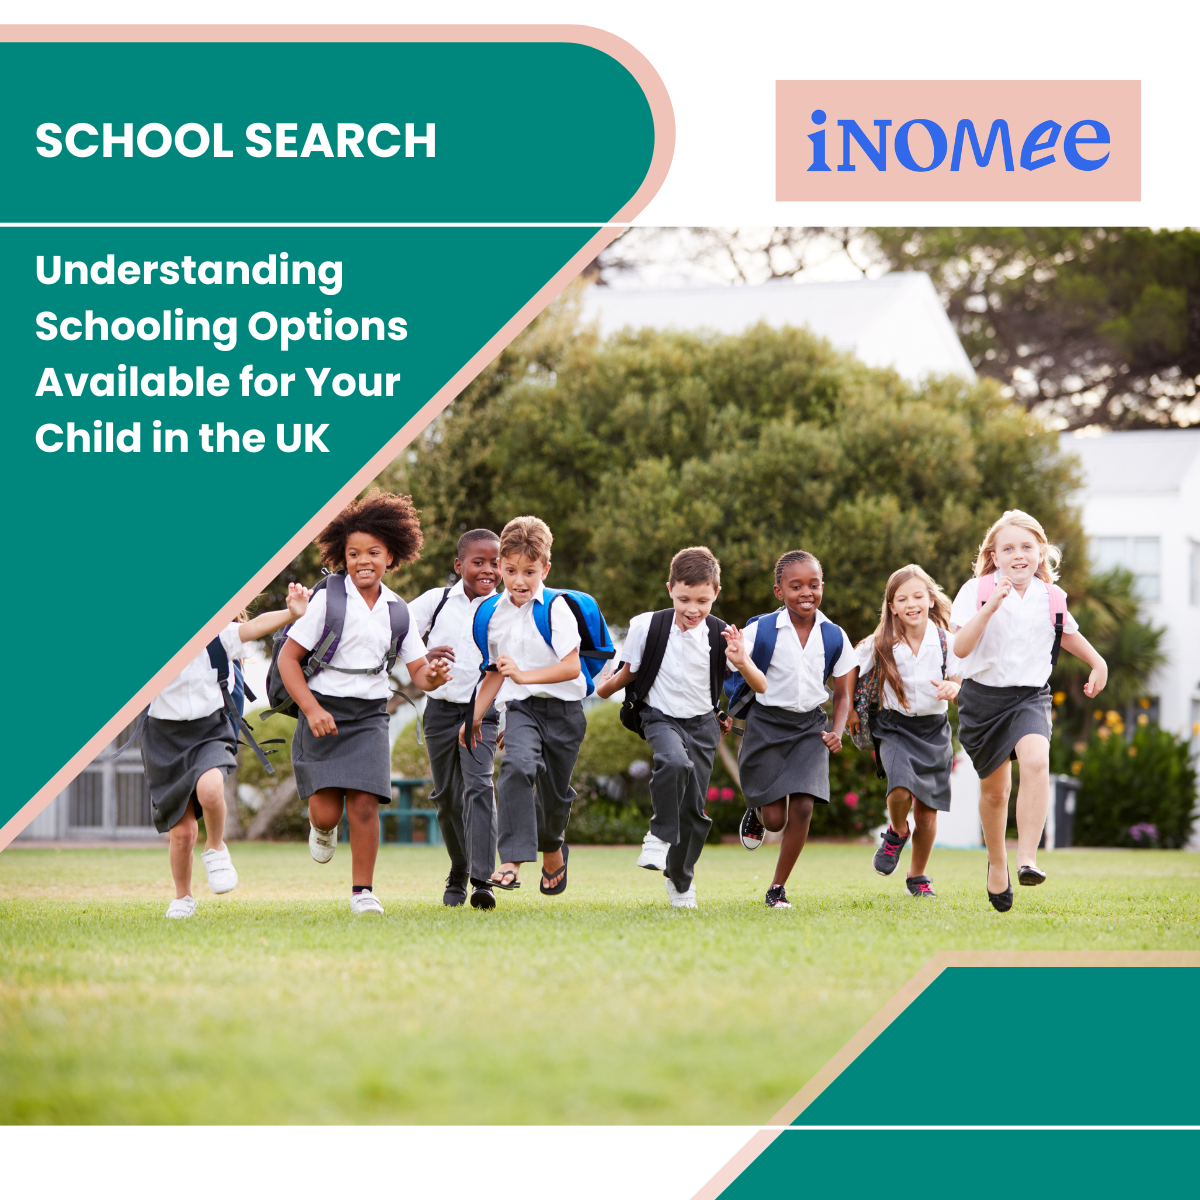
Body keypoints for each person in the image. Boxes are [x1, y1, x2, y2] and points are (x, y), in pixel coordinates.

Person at [279, 491, 452, 915]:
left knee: (364, 803)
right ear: (343, 556)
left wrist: (434, 675)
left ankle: (363, 893)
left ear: (391, 556)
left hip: (370, 715)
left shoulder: (399, 611)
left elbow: (417, 672)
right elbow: (288, 659)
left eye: (373, 552)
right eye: (354, 553)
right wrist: (313, 709)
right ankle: (322, 829)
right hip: (322, 710)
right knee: (325, 812)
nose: (363, 561)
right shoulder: (328, 599)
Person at [951, 510, 1107, 912]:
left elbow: (1067, 632)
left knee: (1037, 761)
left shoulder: (1051, 597)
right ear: (995, 555)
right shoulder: (976, 590)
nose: (1018, 555)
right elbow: (961, 647)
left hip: (1030, 697)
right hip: (982, 700)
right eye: (1009, 548)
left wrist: (1098, 663)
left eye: (1027, 547)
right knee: (996, 792)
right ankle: (998, 863)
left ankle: (1028, 859)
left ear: (1041, 552)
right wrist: (990, 607)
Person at [144, 583, 312, 919]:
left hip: (209, 728)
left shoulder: (219, 636)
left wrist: (291, 613)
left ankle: (216, 846)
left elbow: (254, 626)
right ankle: (183, 897)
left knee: (210, 789)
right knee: (181, 832)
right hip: (164, 737)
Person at [595, 546, 732, 908]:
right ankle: (658, 835)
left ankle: (680, 878)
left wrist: (730, 711)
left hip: (703, 725)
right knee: (674, 763)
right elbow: (630, 673)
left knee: (696, 812)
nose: (692, 608)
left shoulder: (721, 635)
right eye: (684, 598)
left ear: (716, 593)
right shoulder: (646, 626)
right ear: (670, 588)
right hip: (659, 716)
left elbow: (738, 680)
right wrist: (603, 687)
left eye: (702, 600)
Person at [460, 515, 585, 897]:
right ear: (500, 566)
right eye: (510, 570)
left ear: (545, 569)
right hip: (521, 710)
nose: (518, 581)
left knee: (554, 795)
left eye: (529, 572)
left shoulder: (557, 608)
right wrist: (474, 717)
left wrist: (523, 674)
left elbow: (571, 666)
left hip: (565, 711)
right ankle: (511, 862)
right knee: (516, 767)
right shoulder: (492, 614)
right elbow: (496, 672)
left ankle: (551, 848)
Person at [724, 550, 855, 908]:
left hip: (810, 728)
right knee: (775, 820)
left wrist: (837, 730)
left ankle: (777, 888)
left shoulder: (834, 636)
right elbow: (734, 666)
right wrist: (736, 655)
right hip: (766, 725)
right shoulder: (761, 630)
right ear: (779, 591)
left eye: (813, 585)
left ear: (822, 586)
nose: (806, 592)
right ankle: (757, 808)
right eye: (795, 586)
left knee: (802, 808)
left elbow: (843, 695)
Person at [846, 565, 963, 898]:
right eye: (902, 598)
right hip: (894, 726)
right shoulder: (879, 643)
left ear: (929, 600)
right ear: (892, 606)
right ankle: (897, 831)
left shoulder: (946, 642)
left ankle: (918, 875)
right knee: (899, 791)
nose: (911, 603)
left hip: (933, 731)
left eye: (917, 596)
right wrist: (850, 711)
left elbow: (958, 677)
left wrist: (953, 688)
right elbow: (849, 669)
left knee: (927, 814)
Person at [408, 528, 502, 910]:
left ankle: (483, 881)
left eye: (495, 563)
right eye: (478, 562)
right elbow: (399, 634)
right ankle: (459, 869)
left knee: (479, 788)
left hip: (483, 712)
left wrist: (503, 718)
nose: (488, 570)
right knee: (447, 799)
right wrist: (425, 654)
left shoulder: (506, 608)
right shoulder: (437, 600)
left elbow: (509, 668)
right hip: (440, 712)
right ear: (458, 564)